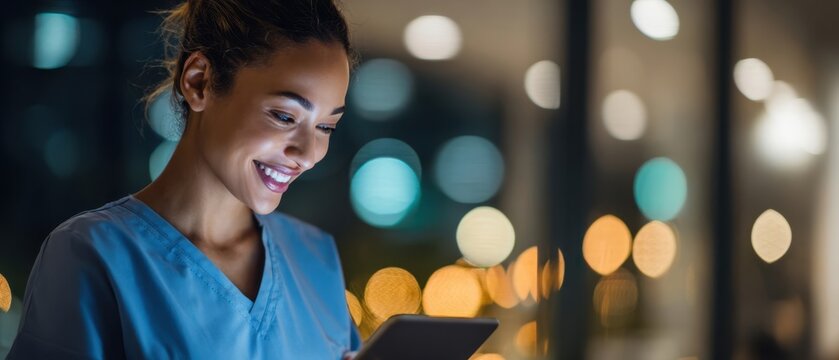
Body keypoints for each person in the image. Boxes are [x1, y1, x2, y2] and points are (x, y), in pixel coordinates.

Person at [8, 0, 360, 358]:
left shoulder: (316, 259)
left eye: (326, 127)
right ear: (199, 82)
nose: (307, 153)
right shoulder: (90, 256)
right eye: (285, 117)